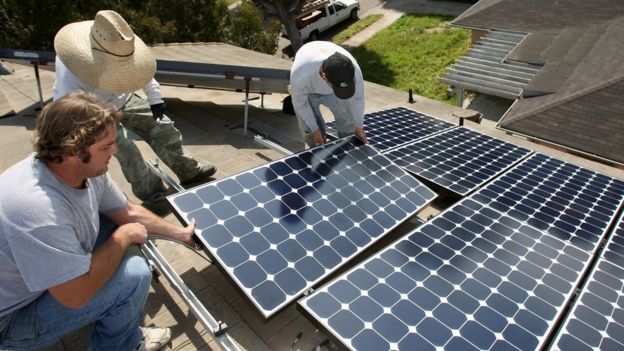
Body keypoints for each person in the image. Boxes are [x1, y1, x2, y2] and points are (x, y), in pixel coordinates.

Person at [0, 92, 198, 351]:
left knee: (112, 221)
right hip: (12, 322)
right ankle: (122, 345)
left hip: (39, 283)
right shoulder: (38, 209)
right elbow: (75, 295)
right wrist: (123, 237)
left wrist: (180, 233)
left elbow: (127, 211)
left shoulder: (84, 170)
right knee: (136, 275)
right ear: (72, 151)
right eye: (105, 147)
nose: (114, 151)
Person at [52, 10, 216, 216]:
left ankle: (189, 171)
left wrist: (155, 98)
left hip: (125, 97)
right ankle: (154, 195)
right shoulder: (72, 68)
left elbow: (140, 70)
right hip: (91, 110)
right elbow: (73, 110)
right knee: (127, 152)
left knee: (164, 129)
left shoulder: (118, 44)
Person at [289, 41, 368, 147]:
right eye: (337, 87)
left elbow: (358, 99)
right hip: (309, 91)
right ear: (325, 76)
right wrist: (315, 130)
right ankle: (317, 150)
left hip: (327, 83)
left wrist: (359, 127)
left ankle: (347, 147)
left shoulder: (353, 70)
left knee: (348, 123)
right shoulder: (301, 76)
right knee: (310, 131)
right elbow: (301, 105)